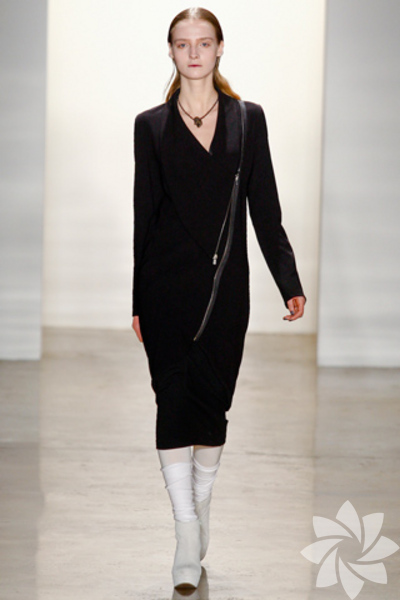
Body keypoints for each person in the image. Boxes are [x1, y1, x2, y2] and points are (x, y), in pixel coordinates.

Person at [131, 6, 306, 591]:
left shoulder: (247, 120)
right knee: (171, 404)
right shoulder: (151, 126)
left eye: (203, 43)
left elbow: (266, 208)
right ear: (171, 52)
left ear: (220, 48)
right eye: (183, 44)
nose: (194, 53)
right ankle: (185, 531)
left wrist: (289, 281)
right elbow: (144, 216)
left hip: (225, 291)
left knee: (212, 408)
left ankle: (201, 504)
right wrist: (137, 300)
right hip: (164, 290)